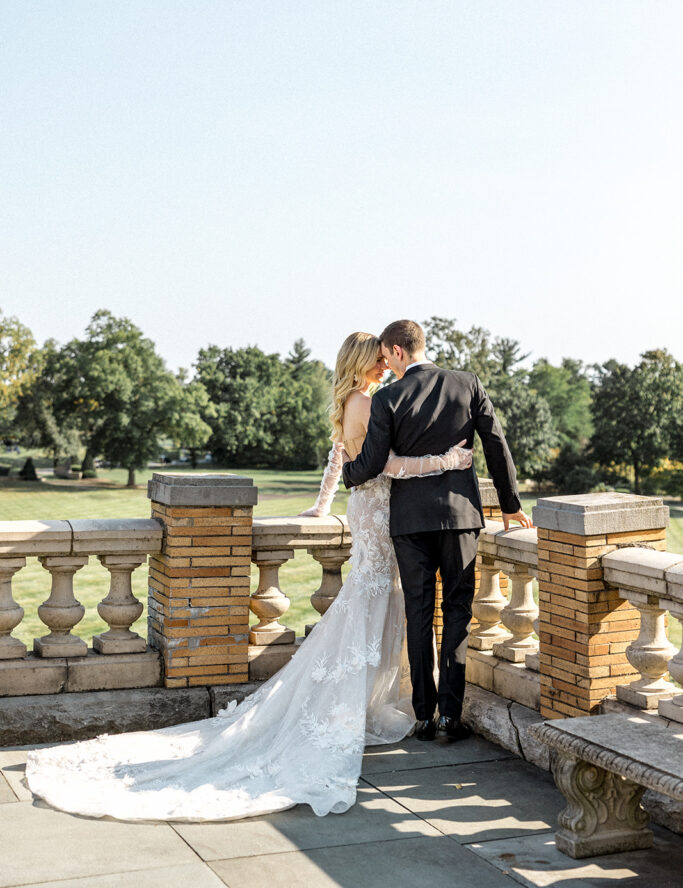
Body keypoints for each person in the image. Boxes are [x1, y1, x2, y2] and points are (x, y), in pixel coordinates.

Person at [25, 332, 470, 822]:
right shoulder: (369, 401)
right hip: (381, 509)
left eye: (388, 357)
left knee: (373, 601)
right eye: (379, 359)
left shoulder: (350, 400)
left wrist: (322, 506)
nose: (386, 365)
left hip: (365, 513)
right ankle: (353, 707)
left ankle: (368, 702)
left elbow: (336, 460)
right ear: (365, 361)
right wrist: (446, 461)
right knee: (376, 601)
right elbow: (380, 466)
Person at [343, 320, 532, 743]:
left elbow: (371, 462)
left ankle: (423, 717)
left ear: (395, 351)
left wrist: (347, 473)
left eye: (385, 357)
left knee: (419, 613)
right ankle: (451, 715)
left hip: (409, 522)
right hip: (461, 517)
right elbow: (495, 444)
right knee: (458, 614)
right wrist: (510, 503)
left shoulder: (389, 397)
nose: (385, 366)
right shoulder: (468, 383)